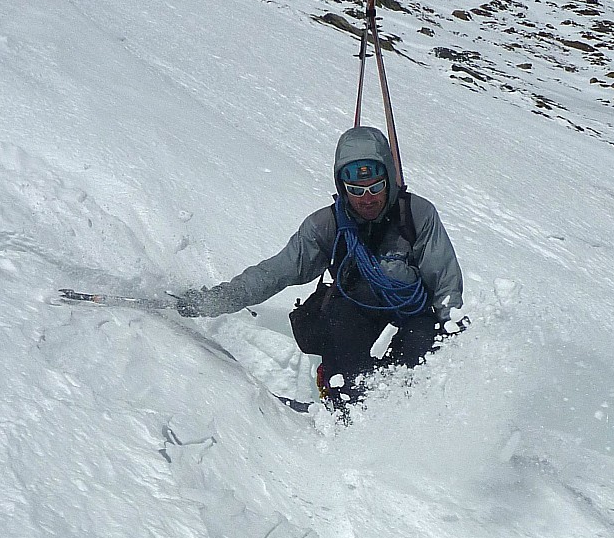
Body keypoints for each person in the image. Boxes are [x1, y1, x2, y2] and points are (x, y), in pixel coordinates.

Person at [176, 126, 464, 406]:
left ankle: (400, 403)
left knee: (427, 342)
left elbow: (444, 278)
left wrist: (450, 324)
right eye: (356, 190)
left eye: (376, 187)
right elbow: (276, 271)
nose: (367, 199)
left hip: (410, 309)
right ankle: (349, 405)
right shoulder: (327, 225)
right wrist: (219, 299)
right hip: (352, 313)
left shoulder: (417, 214)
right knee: (343, 317)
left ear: (389, 179)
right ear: (342, 186)